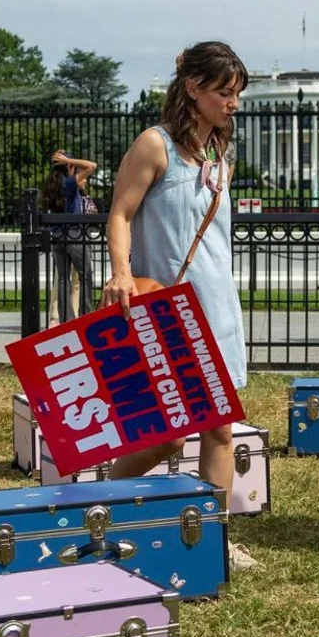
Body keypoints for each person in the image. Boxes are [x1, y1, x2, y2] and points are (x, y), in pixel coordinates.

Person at [100, 41, 256, 571]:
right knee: (165, 439)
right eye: (224, 92)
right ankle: (99, 498)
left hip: (217, 308)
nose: (233, 103)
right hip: (167, 312)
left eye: (237, 94)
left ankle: (214, 541)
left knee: (218, 430)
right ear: (193, 88)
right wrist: (122, 272)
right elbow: (120, 214)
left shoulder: (218, 154)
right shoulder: (155, 145)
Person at [42, 150, 99, 326]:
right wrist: (70, 160)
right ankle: (86, 315)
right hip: (74, 234)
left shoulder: (52, 185)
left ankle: (66, 319)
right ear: (69, 166)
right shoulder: (67, 183)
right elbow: (92, 166)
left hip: (57, 237)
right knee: (86, 275)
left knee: (62, 279)